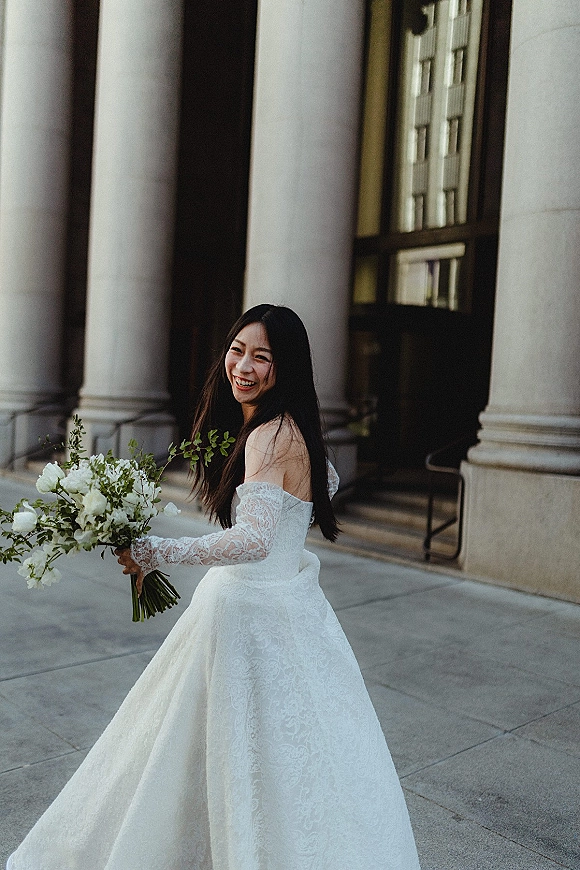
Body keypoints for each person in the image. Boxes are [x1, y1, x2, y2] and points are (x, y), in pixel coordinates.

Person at [7, 304, 421, 869]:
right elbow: (320, 483)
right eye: (237, 350)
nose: (243, 366)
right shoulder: (295, 428)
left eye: (262, 357)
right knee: (279, 757)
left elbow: (252, 541)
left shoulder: (268, 435)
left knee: (197, 752)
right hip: (290, 608)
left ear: (286, 367)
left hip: (245, 614)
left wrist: (157, 551)